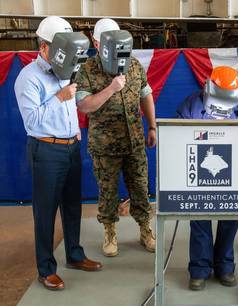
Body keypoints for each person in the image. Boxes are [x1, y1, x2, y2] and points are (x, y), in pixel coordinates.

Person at [14, 16, 102, 291]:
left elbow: (73, 109)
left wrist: (75, 131)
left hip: (70, 147)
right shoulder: (28, 78)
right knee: (45, 211)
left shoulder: (66, 71)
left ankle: (74, 255)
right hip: (46, 150)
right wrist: (59, 98)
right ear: (43, 47)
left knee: (72, 206)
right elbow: (32, 121)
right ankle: (46, 269)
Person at [75, 18, 156, 257]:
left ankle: (145, 229)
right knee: (107, 193)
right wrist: (111, 88)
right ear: (96, 42)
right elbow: (84, 106)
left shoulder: (133, 65)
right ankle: (110, 232)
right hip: (105, 146)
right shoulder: (87, 70)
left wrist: (152, 126)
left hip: (135, 142)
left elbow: (146, 95)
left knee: (141, 189)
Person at [177, 66, 238, 291]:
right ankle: (199, 269)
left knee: (231, 217)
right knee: (199, 218)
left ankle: (225, 266)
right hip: (200, 172)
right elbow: (178, 138)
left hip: (235, 172)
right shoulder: (191, 105)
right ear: (209, 86)